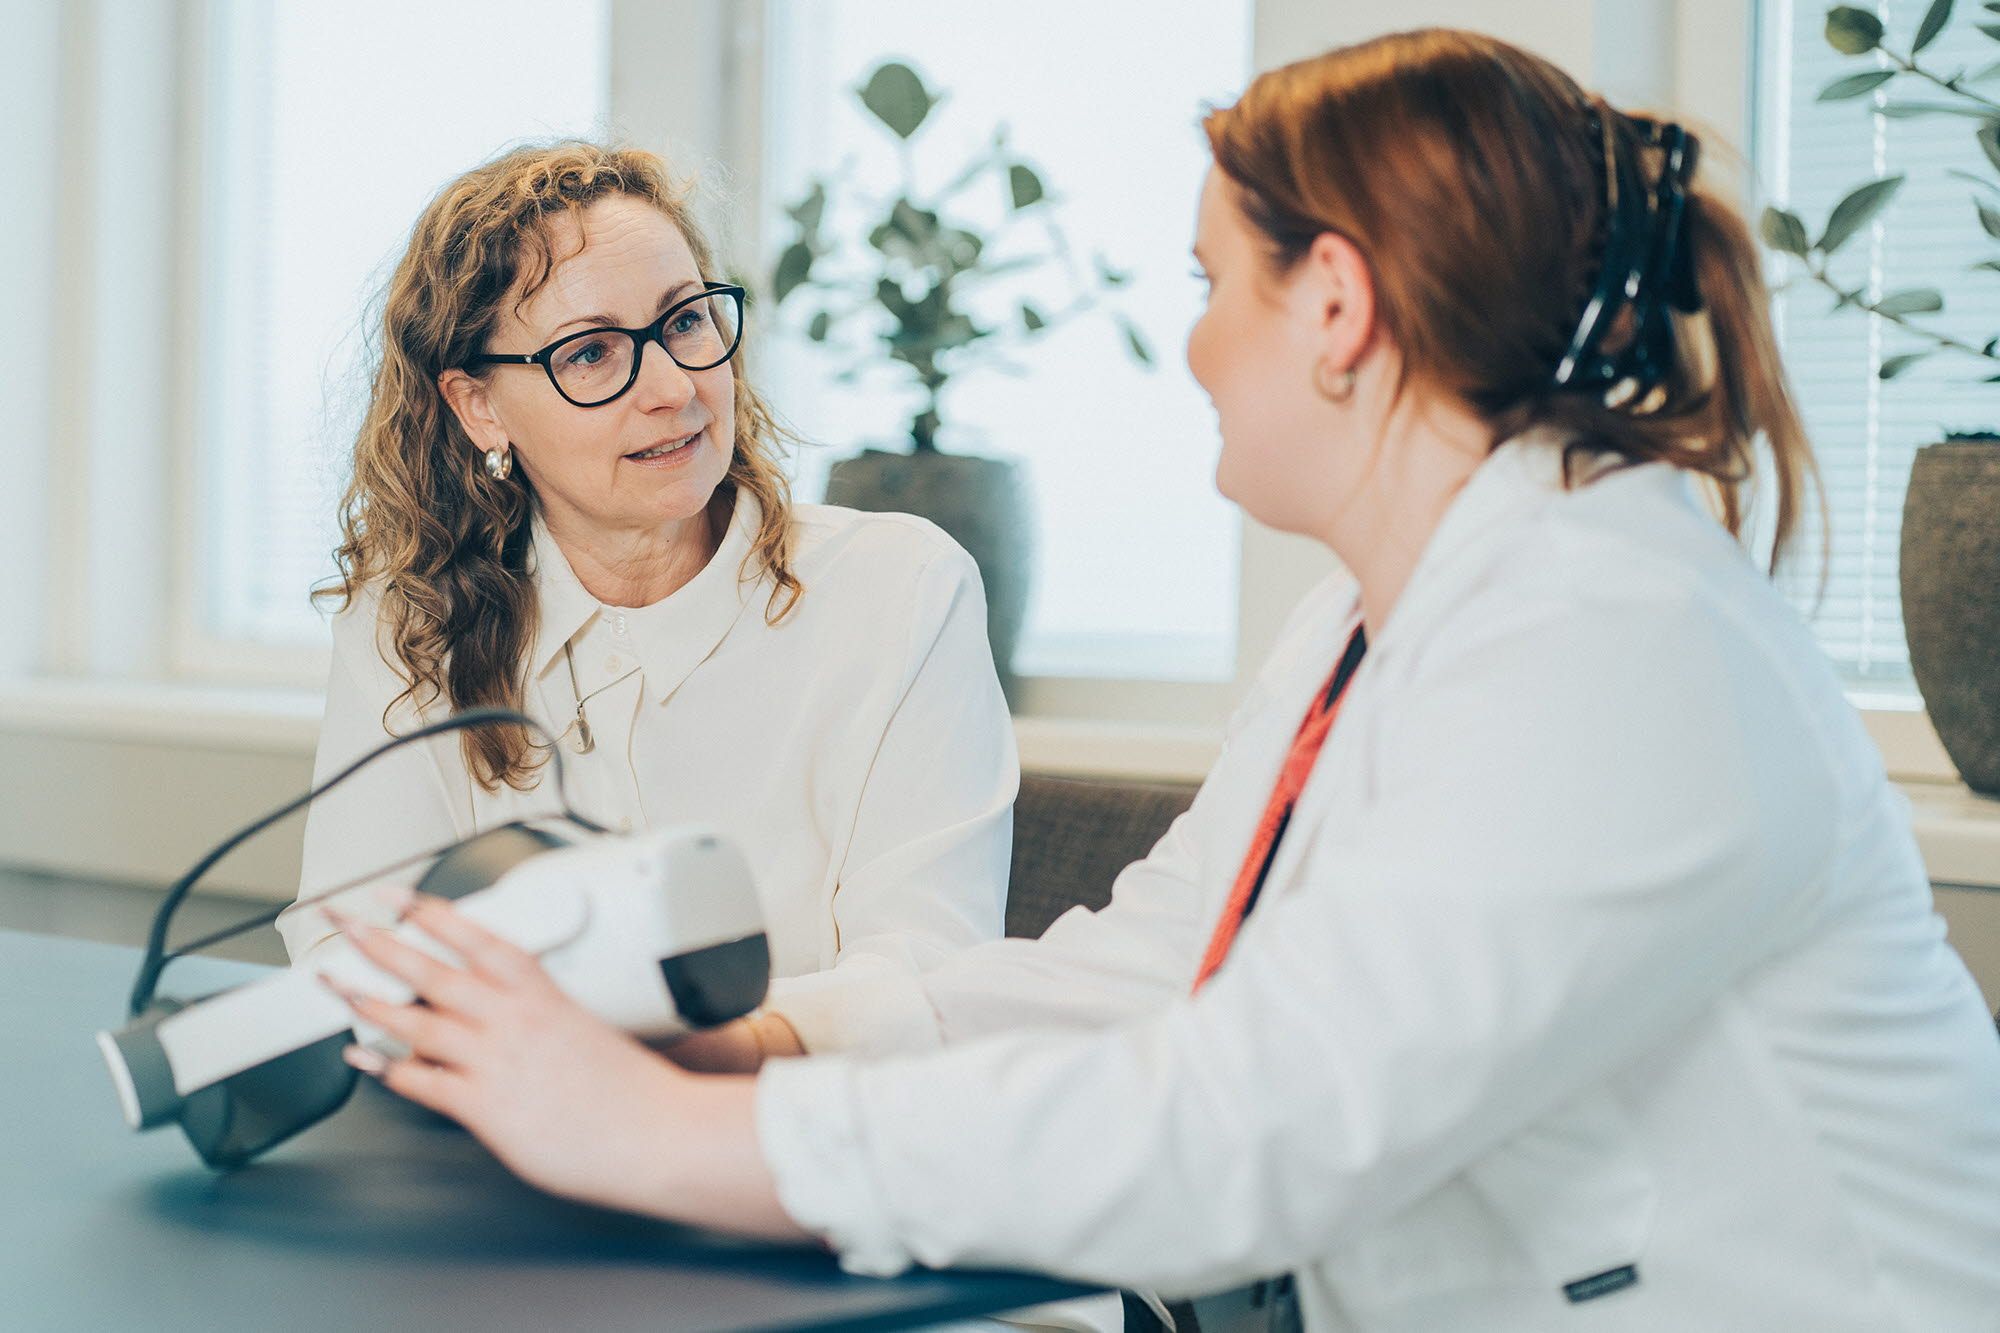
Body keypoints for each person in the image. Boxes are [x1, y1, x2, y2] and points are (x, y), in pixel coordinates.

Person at [320, 32, 2000, 1331]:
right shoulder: (1375, 613)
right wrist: (754, 1051)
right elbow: (1155, 962)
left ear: (1333, 304)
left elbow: (1241, 1131)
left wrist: (652, 1135)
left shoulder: (1623, 643)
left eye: (1214, 285)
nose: (1194, 343)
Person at [280, 141, 1019, 1069]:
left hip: (798, 1158)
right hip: (498, 1166)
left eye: (685, 323)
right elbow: (352, 953)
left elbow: (927, 978)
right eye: (590, 352)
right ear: (479, 408)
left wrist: (601, 1049)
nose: (674, 389)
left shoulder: (903, 589)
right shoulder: (408, 622)